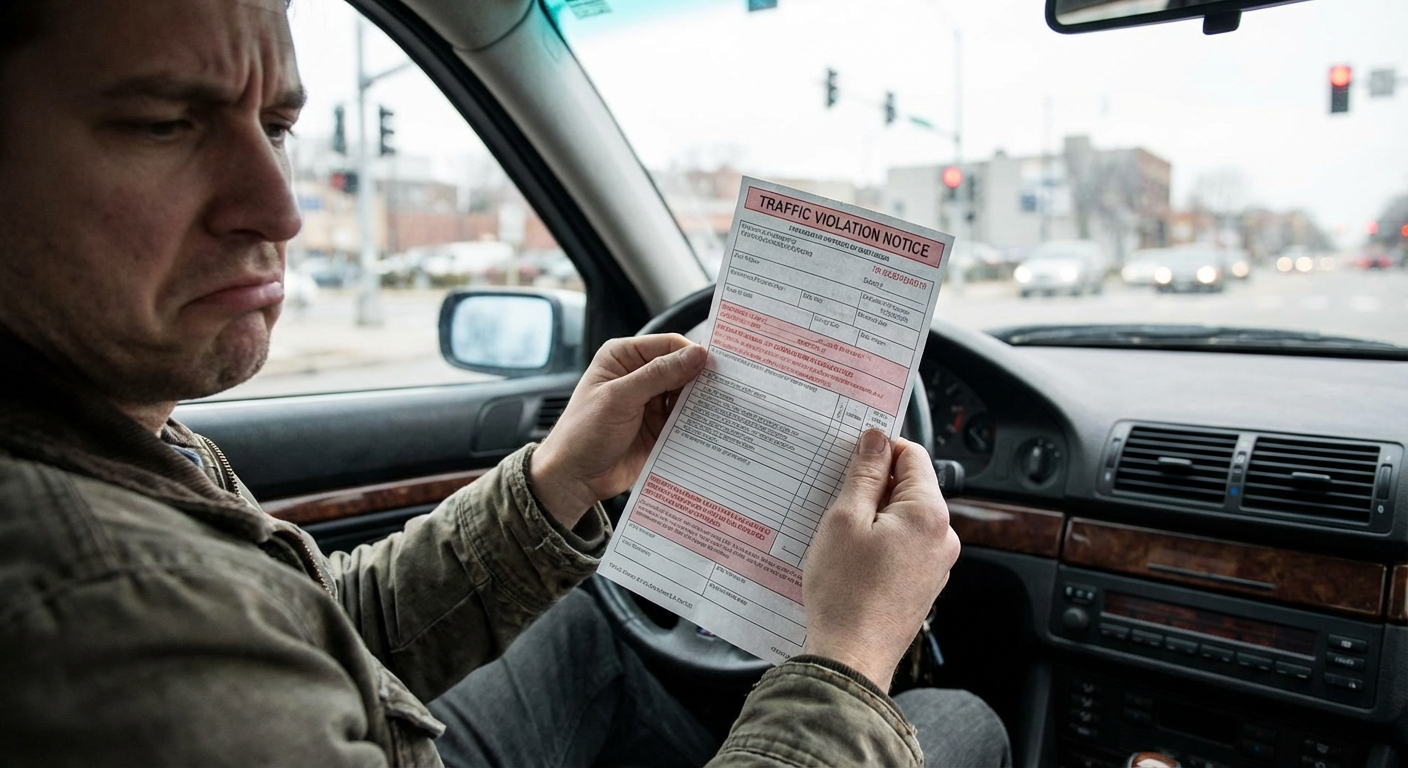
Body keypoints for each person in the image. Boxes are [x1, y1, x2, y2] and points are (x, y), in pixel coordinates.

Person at [0, 0, 1011, 765]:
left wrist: (554, 484)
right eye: (162, 124)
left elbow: (306, 626)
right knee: (949, 721)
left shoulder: (104, 431)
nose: (278, 208)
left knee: (582, 615)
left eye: (274, 127)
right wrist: (847, 657)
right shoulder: (111, 606)